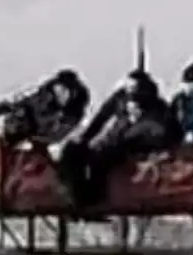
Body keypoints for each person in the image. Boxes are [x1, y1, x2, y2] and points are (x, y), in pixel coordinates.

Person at [60, 66, 178, 210]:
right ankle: (74, 197)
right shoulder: (121, 97)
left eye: (132, 87)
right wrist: (85, 138)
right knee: (73, 151)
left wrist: (147, 146)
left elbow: (168, 133)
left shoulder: (157, 109)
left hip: (129, 147)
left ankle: (94, 200)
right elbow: (102, 116)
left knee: (101, 159)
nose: (128, 90)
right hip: (113, 140)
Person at [0, 68, 91, 150]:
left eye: (64, 91)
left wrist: (32, 141)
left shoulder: (72, 113)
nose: (59, 93)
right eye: (59, 89)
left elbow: (56, 138)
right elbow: (6, 105)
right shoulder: (40, 93)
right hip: (25, 132)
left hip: (49, 143)